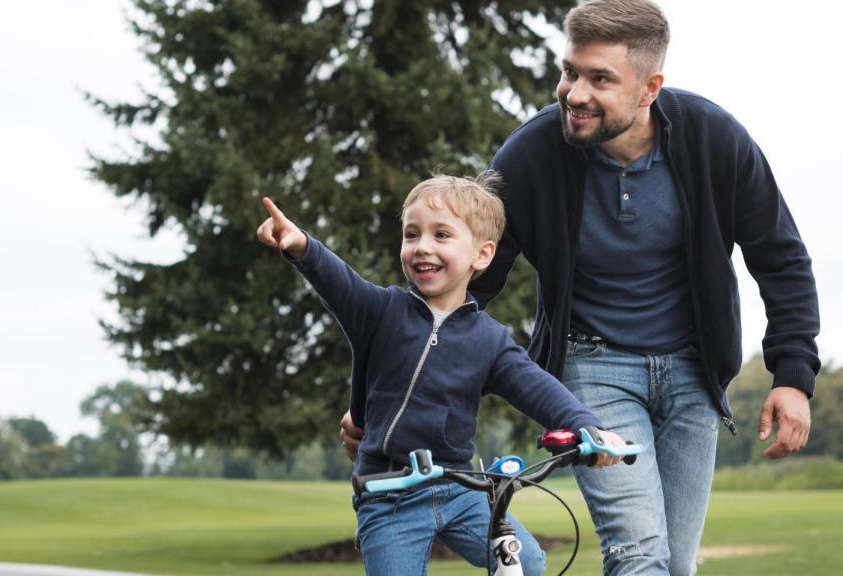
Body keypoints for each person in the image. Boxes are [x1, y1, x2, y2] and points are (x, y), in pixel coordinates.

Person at [341, 1, 820, 574]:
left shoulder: (714, 140)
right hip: (593, 369)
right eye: (570, 71)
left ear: (650, 89)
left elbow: (780, 255)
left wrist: (793, 375)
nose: (574, 93)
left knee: (677, 564)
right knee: (638, 554)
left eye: (600, 79)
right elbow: (465, 286)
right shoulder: (532, 155)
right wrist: (391, 393)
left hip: (695, 373)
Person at [257, 173, 629, 576]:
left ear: (482, 255)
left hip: (461, 489)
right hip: (389, 495)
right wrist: (301, 245)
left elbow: (537, 387)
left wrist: (587, 427)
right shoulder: (380, 311)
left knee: (528, 563)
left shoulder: (490, 340)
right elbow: (338, 280)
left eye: (441, 236)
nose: (422, 247)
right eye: (412, 235)